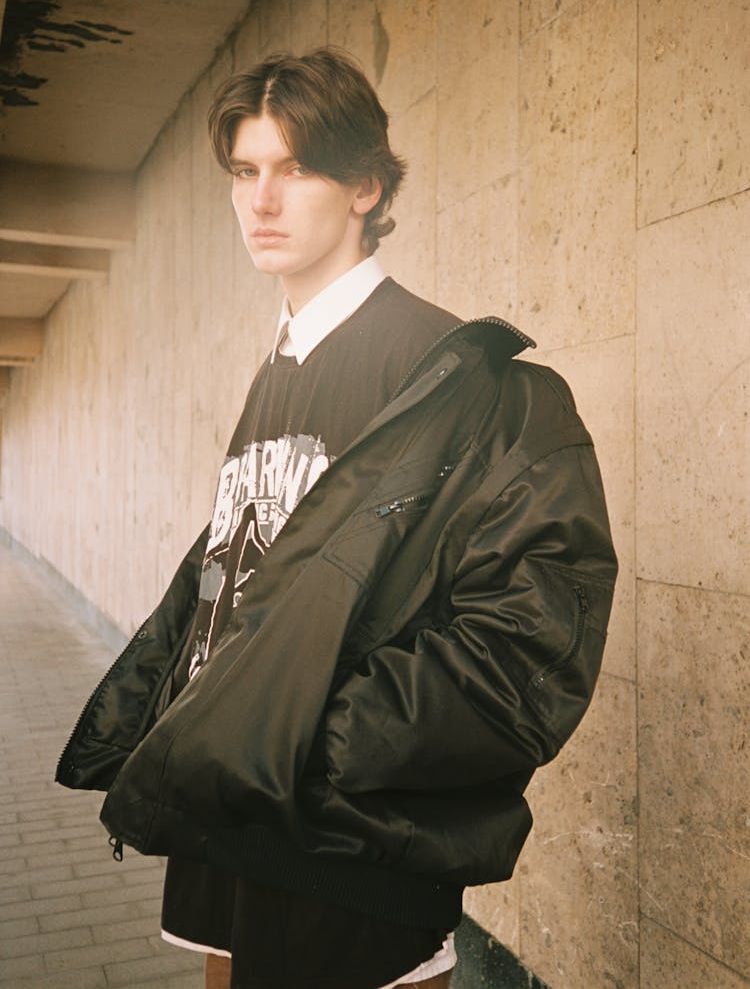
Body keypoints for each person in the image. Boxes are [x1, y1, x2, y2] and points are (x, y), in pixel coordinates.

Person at [57, 48, 617, 989]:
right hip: (228, 828)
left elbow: (528, 644)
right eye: (245, 171)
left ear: (365, 183)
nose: (261, 201)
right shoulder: (273, 370)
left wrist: (309, 746)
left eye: (296, 168)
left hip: (351, 850)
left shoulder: (461, 381)